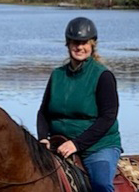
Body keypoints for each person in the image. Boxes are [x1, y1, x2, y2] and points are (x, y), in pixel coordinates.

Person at [37, 17, 122, 192]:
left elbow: (108, 118)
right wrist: (43, 137)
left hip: (98, 146)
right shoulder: (57, 75)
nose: (79, 47)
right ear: (68, 44)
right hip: (59, 145)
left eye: (84, 42)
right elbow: (43, 113)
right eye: (75, 42)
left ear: (92, 45)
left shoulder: (103, 76)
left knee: (101, 184)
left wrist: (76, 144)